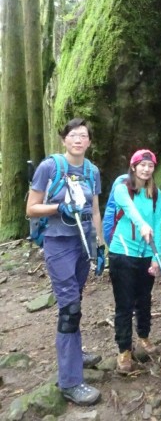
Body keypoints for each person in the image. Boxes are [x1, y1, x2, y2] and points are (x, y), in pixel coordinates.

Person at [26, 118, 103, 406]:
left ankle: (75, 353)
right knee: (69, 307)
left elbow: (95, 210)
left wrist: (100, 245)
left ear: (89, 142)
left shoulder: (92, 171)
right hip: (58, 243)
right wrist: (60, 207)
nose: (78, 140)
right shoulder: (50, 167)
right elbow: (31, 209)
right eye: (73, 135)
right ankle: (70, 381)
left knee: (76, 299)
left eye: (83, 136)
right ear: (64, 140)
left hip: (83, 243)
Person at [108, 149, 161, 374]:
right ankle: (123, 349)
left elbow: (157, 224)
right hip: (122, 253)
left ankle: (143, 336)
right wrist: (142, 224)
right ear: (133, 166)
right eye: (142, 165)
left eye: (150, 166)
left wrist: (156, 257)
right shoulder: (122, 188)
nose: (146, 169)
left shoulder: (155, 194)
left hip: (145, 255)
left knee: (145, 299)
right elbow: (130, 211)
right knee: (124, 304)